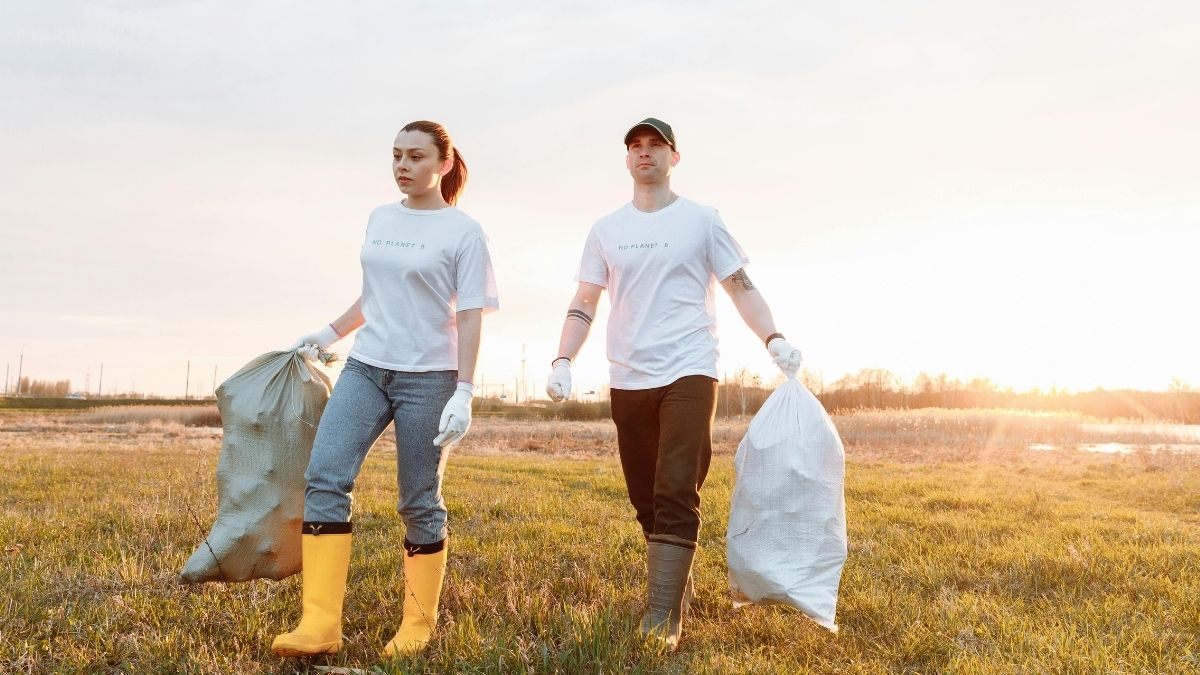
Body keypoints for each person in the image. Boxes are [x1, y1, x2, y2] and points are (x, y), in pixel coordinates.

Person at [546, 118, 801, 650]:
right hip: (628, 374)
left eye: (655, 146)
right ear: (627, 160)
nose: (645, 154)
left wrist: (772, 338)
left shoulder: (703, 220)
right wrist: (563, 358)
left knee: (675, 485)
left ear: (673, 157)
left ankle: (662, 615)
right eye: (635, 147)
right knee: (644, 494)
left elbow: (740, 287)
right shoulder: (605, 230)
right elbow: (585, 300)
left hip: (689, 367)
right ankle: (673, 586)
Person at [271, 120, 499, 658]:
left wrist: (464, 390)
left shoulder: (464, 232)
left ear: (443, 164)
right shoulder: (379, 218)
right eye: (396, 155)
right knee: (325, 476)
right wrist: (328, 332)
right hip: (367, 368)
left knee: (418, 499)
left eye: (416, 157)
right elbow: (373, 296)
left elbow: (470, 318)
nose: (402, 166)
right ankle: (319, 625)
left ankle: (417, 626)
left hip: (431, 379)